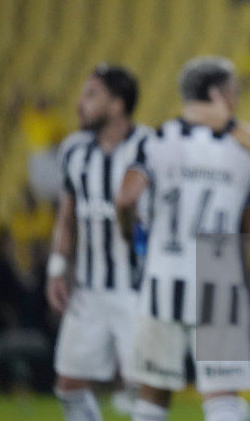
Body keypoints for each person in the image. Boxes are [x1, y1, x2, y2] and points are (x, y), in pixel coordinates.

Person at [116, 57, 250, 421]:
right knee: (222, 398)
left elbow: (125, 198)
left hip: (162, 275)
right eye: (234, 92)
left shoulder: (156, 139)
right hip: (219, 279)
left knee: (152, 398)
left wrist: (132, 240)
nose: (237, 100)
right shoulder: (243, 150)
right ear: (217, 94)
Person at [46, 65, 149, 421]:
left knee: (145, 391)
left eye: (91, 95)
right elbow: (67, 215)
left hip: (138, 289)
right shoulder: (74, 151)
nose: (80, 103)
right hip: (89, 289)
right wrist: (57, 269)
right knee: (68, 386)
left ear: (117, 105)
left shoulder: (149, 146)